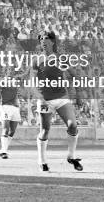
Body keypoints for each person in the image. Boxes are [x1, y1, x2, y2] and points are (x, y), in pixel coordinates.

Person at [31, 31, 83, 172]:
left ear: (53, 41)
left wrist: (78, 94)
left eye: (46, 38)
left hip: (61, 98)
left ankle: (71, 157)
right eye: (41, 38)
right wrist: (39, 97)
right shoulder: (36, 60)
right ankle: (42, 161)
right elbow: (32, 82)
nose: (43, 40)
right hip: (45, 100)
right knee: (45, 131)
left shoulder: (61, 58)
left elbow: (74, 75)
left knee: (73, 125)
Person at [0, 68, 21, 159]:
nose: (11, 71)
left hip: (15, 108)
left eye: (12, 70)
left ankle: (3, 149)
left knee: (12, 131)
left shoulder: (16, 82)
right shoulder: (1, 81)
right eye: (9, 70)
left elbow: (16, 94)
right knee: (5, 129)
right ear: (5, 72)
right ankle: (4, 151)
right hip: (5, 107)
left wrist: (18, 104)